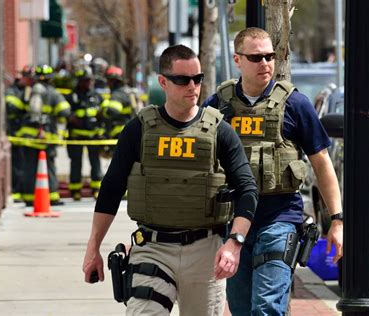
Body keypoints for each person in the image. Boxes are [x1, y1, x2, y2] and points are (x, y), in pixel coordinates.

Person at [82, 44, 258, 315]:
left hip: (205, 251)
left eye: (197, 79)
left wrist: (234, 243)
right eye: (183, 79)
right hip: (152, 248)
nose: (193, 86)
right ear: (163, 82)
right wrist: (93, 247)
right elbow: (111, 189)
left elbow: (247, 190)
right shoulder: (139, 129)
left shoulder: (219, 131)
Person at [202, 27, 343, 315]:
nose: (265, 63)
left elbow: (322, 162)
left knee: (267, 308)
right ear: (237, 60)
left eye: (270, 56)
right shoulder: (219, 105)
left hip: (280, 220)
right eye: (256, 57)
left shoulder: (295, 104)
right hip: (231, 224)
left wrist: (337, 220)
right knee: (241, 309)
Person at [16, 64, 71, 206]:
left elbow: (19, 110)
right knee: (49, 168)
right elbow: (65, 112)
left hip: (28, 138)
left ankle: (29, 198)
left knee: (29, 168)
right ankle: (52, 197)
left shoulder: (27, 93)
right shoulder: (53, 93)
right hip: (47, 139)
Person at [65, 66, 105, 200]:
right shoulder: (71, 97)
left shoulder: (97, 96)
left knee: (95, 163)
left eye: (89, 80)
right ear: (79, 81)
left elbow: (103, 115)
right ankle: (75, 191)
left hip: (93, 137)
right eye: (85, 80)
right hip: (76, 137)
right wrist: (70, 117)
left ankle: (97, 189)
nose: (88, 83)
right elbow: (64, 113)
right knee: (76, 163)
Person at [5, 66, 34, 202]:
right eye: (29, 78)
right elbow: (12, 107)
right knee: (17, 167)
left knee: (26, 166)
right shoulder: (12, 90)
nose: (31, 81)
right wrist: (25, 103)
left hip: (27, 137)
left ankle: (24, 192)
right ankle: (16, 192)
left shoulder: (29, 91)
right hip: (15, 135)